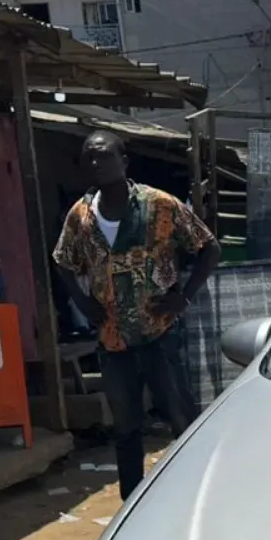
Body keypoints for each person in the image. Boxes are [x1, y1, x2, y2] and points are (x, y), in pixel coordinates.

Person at [53, 131, 218, 499]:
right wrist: (83, 301)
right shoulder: (81, 215)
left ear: (123, 161)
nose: (95, 163)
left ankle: (196, 498)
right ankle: (132, 506)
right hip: (113, 341)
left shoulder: (159, 205)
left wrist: (183, 297)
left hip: (159, 332)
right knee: (126, 428)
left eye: (103, 155)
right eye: (88, 157)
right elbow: (63, 261)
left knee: (180, 420)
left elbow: (208, 247)